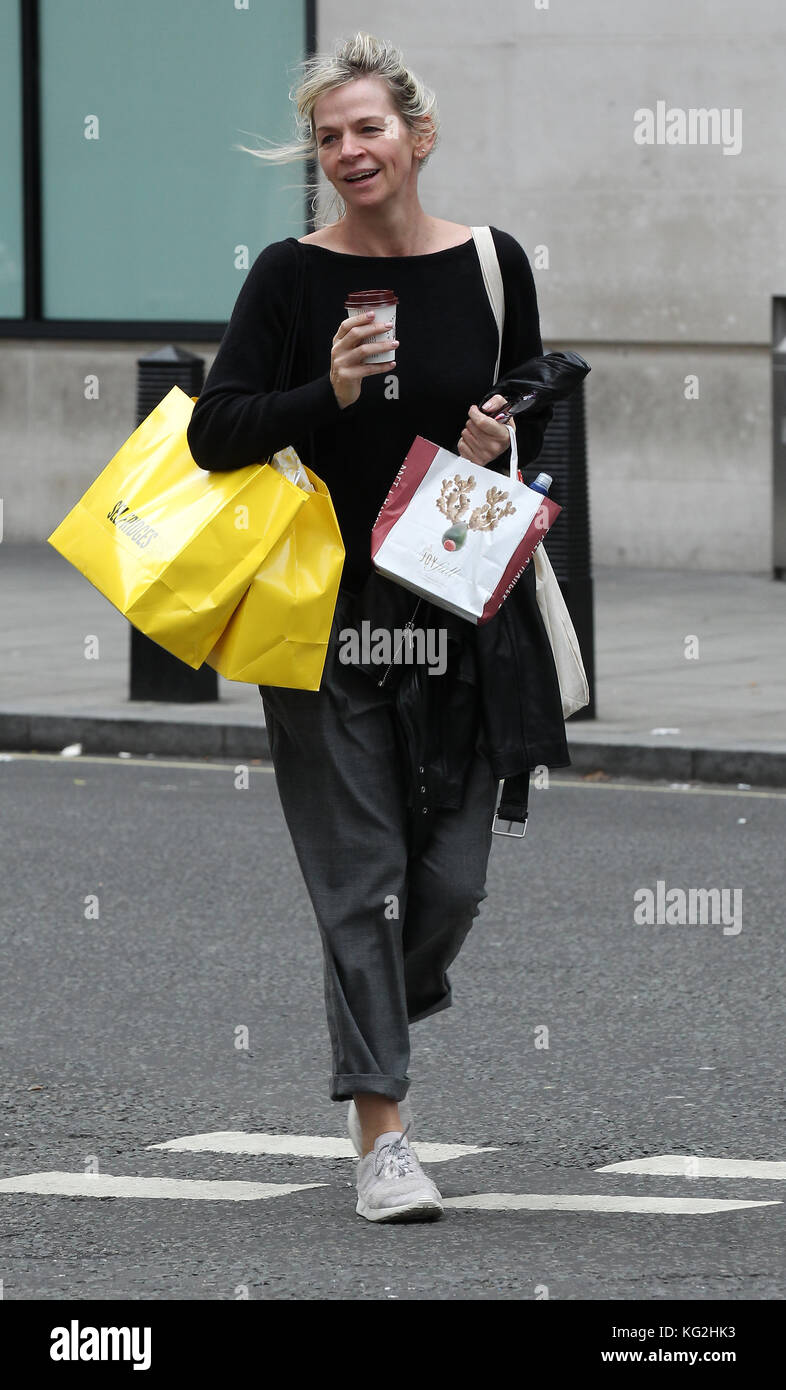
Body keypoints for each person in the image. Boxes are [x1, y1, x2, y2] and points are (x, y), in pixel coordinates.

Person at [187, 32, 569, 1224]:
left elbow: (533, 411)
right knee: (365, 879)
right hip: (326, 616)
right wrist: (332, 392)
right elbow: (215, 431)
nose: (348, 151)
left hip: (455, 607)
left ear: (418, 137)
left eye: (367, 129)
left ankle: (375, 1006)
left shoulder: (495, 264)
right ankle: (384, 1135)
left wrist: (505, 449)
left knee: (446, 883)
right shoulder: (291, 279)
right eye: (329, 137)